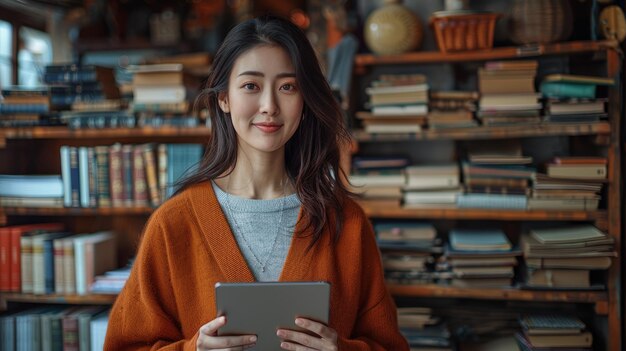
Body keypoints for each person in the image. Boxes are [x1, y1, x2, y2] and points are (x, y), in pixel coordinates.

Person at [104, 15, 409, 351]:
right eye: (251, 86)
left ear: (305, 101)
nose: (269, 107)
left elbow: (390, 345)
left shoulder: (346, 222)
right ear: (223, 98)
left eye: (288, 87)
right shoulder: (172, 224)